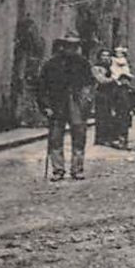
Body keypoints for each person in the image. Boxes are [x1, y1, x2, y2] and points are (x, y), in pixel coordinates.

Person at [38, 36, 94, 182]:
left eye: (75, 46)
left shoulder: (83, 63)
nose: (72, 49)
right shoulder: (51, 64)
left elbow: (89, 85)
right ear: (63, 46)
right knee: (56, 139)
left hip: (77, 106)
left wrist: (86, 102)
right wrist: (46, 107)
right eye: (69, 46)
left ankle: (77, 169)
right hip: (57, 107)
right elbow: (42, 88)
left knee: (79, 138)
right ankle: (58, 169)